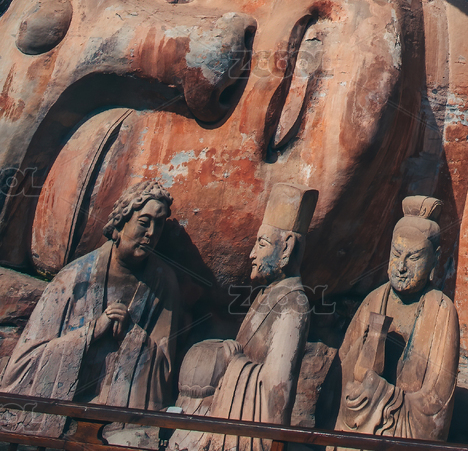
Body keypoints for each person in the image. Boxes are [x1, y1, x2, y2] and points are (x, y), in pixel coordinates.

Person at [0, 181, 180, 443]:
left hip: (122, 424)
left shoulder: (164, 283)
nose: (151, 233)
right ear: (120, 224)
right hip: (65, 417)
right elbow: (21, 368)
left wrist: (131, 335)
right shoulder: (73, 278)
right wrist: (91, 332)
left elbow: (164, 370)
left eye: (159, 225)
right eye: (144, 222)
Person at [171, 185, 317, 451]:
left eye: (261, 244)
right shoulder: (266, 294)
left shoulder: (294, 305)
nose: (251, 254)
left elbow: (276, 391)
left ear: (286, 248)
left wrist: (234, 360)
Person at [335, 196, 459, 440]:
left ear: (435, 259)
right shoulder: (374, 299)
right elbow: (343, 367)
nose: (401, 266)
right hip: (357, 417)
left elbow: (438, 401)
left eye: (413, 257)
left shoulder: (442, 310)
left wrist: (382, 394)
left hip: (403, 427)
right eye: (396, 253)